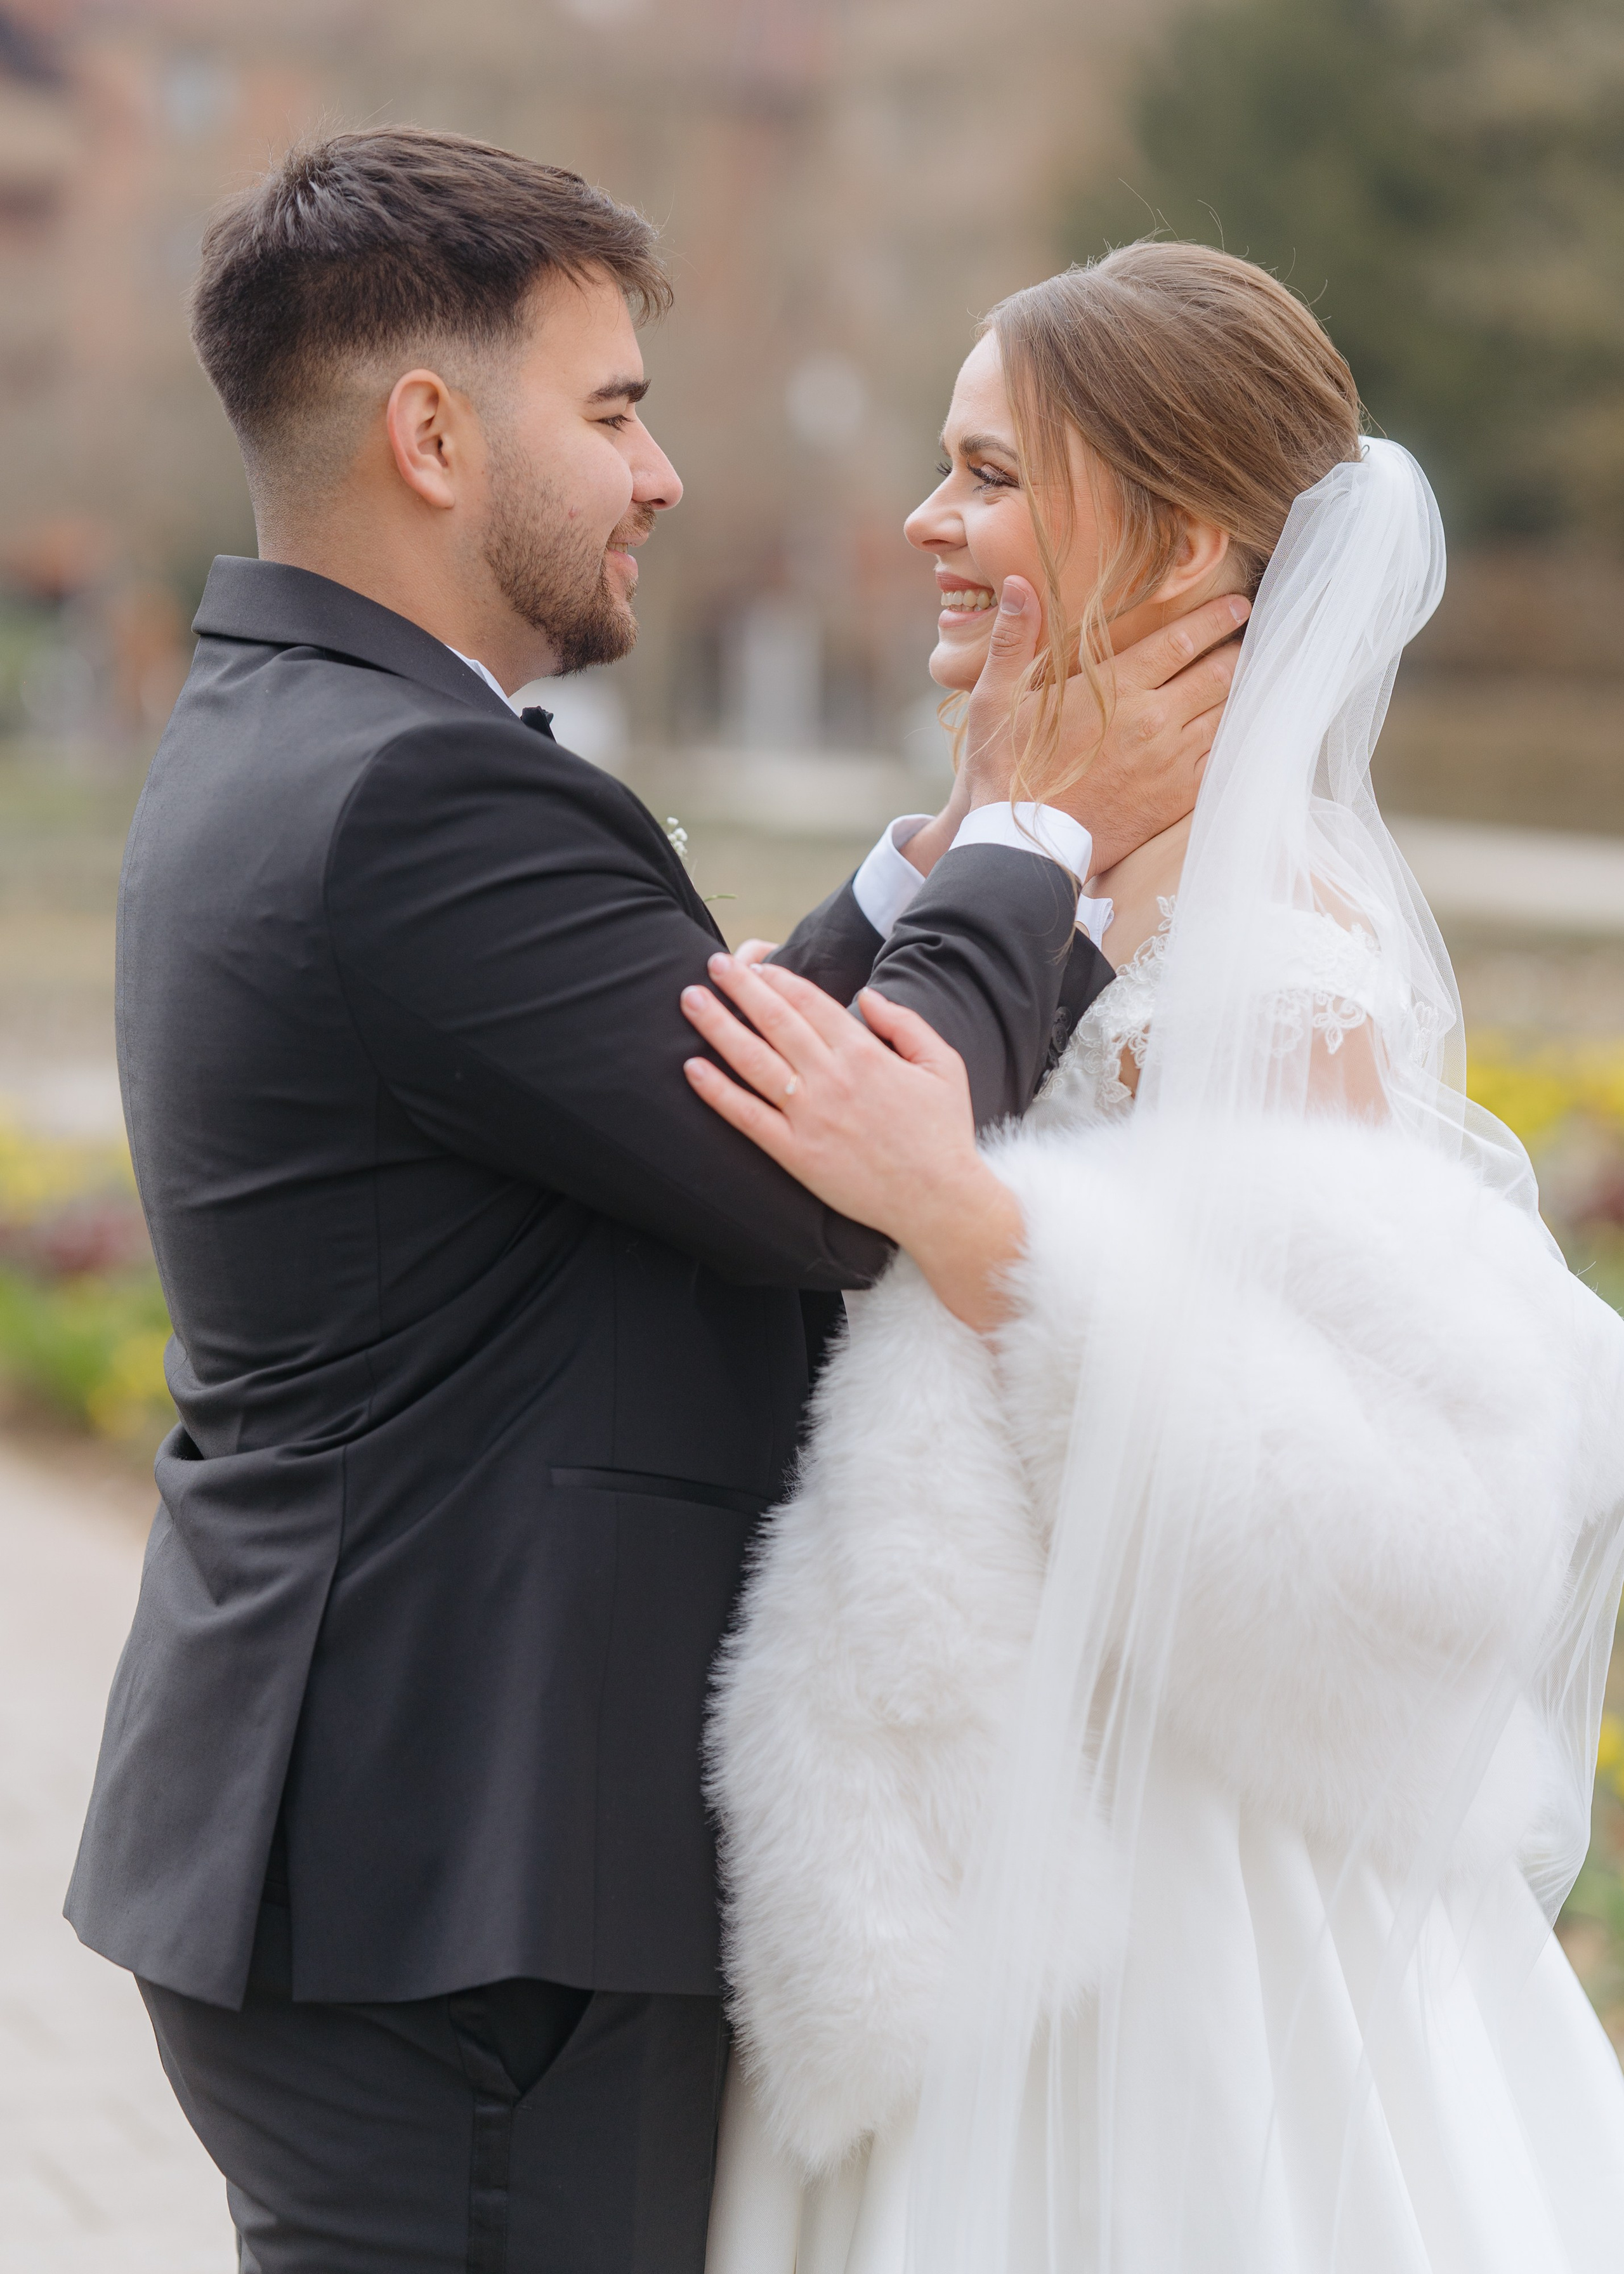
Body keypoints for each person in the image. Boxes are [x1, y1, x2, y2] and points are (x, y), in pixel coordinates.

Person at [63, 136, 1241, 2273]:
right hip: (465, 1882)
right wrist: (1049, 835)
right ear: (434, 436)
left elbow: (677, 1088)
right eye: (612, 412)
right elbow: (823, 1187)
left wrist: (938, 858)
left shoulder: (300, 737)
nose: (662, 475)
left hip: (382, 1852)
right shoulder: (419, 790)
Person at [693, 244, 1624, 2272]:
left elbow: (1354, 1491)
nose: (927, 523)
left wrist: (975, 1223)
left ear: (1187, 541)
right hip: (950, 1781)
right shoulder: (1023, 865)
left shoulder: (1272, 945)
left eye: (990, 476)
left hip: (1176, 1864)